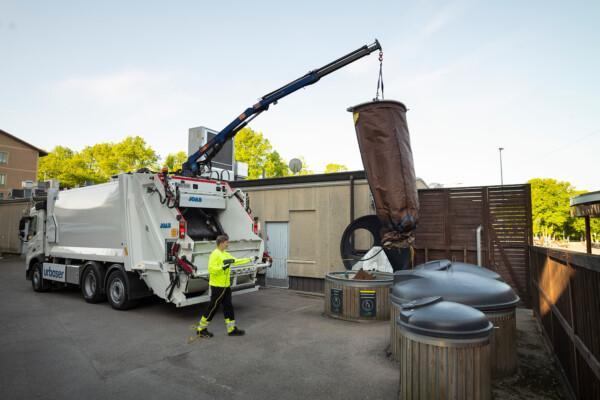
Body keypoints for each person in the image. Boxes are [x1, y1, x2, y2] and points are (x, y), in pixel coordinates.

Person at [196, 234, 255, 338]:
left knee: (228, 307)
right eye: (227, 242)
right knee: (213, 308)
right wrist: (222, 267)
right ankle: (201, 329)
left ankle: (231, 329)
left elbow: (235, 261)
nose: (228, 244)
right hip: (218, 286)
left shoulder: (225, 254)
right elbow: (211, 269)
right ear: (222, 243)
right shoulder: (215, 254)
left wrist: (250, 259)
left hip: (226, 286)